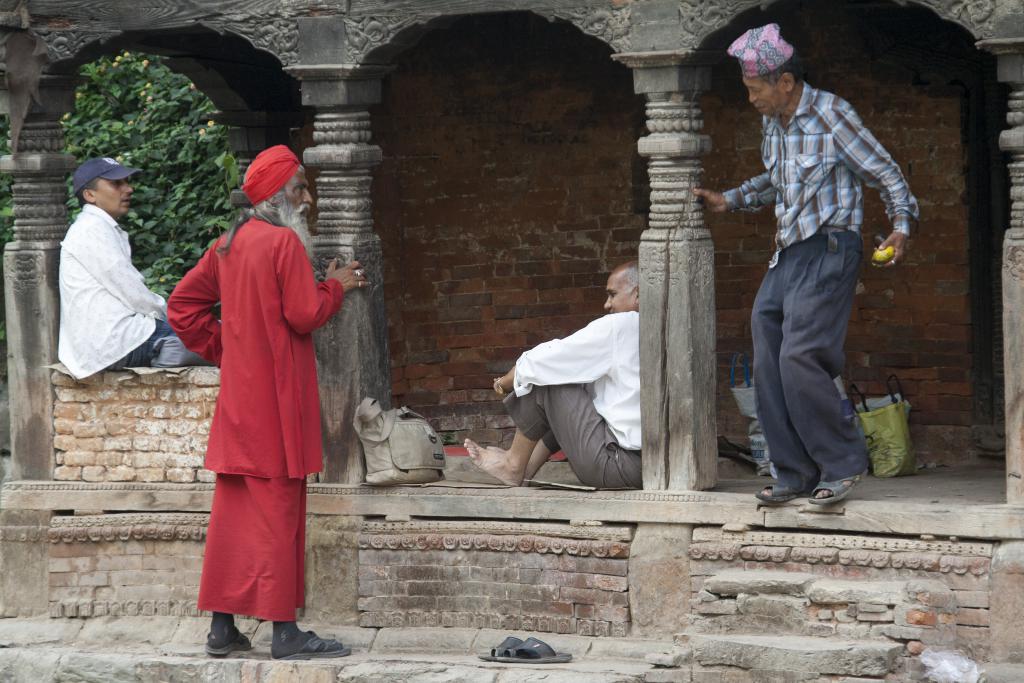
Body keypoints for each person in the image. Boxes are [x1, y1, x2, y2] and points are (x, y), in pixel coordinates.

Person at [693, 23, 919, 505]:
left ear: (786, 83)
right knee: (767, 358)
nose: (751, 99)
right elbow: (778, 181)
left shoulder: (833, 114)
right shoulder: (773, 122)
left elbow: (885, 172)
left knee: (800, 357)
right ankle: (793, 471)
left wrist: (900, 225)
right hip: (789, 253)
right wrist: (729, 200)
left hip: (831, 249)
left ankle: (840, 464)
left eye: (756, 89)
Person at [167, 145, 368, 660]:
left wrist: (227, 347)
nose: (309, 198)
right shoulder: (282, 245)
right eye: (301, 189)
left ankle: (221, 629)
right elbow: (304, 313)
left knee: (233, 515)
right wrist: (336, 285)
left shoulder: (226, 245)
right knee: (281, 510)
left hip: (239, 403)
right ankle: (284, 632)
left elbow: (182, 308)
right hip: (277, 406)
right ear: (281, 197)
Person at [464, 261, 641, 489]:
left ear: (637, 294)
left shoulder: (624, 325)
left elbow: (541, 361)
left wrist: (503, 383)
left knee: (548, 379)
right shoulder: (660, 328)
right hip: (648, 469)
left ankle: (512, 464)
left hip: (618, 468)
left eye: (612, 295)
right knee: (578, 395)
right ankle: (523, 472)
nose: (607, 304)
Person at [58, 157, 207, 379]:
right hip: (116, 342)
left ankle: (169, 346)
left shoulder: (97, 227)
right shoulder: (91, 230)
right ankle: (166, 348)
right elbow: (133, 293)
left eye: (127, 182)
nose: (128, 189)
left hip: (111, 340)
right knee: (222, 338)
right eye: (116, 184)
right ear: (90, 195)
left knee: (215, 332)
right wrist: (174, 317)